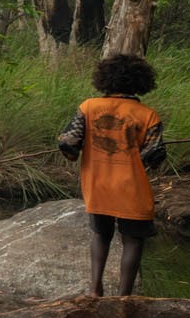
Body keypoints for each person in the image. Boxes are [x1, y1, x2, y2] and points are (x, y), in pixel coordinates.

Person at [57, 53, 166, 297]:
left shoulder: (88, 107)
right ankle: (124, 297)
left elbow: (68, 143)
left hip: (98, 185)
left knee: (101, 234)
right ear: (141, 82)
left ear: (104, 79)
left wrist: (75, 155)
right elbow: (154, 156)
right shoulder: (147, 115)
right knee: (133, 240)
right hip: (131, 188)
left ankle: (95, 289)